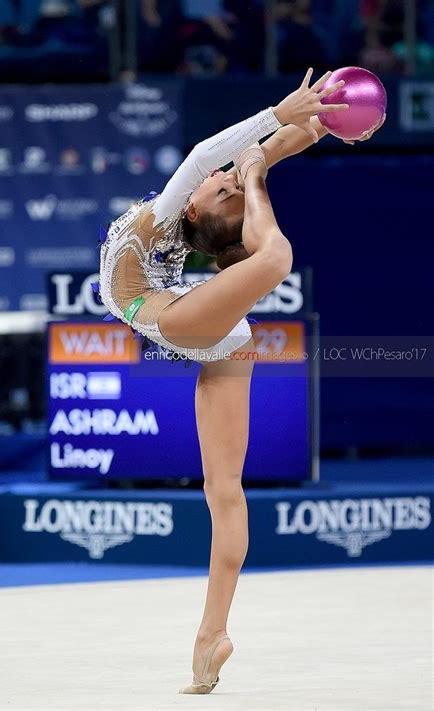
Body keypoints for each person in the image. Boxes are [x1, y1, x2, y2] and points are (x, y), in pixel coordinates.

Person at [97, 68, 385, 694]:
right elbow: (279, 141)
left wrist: (272, 129)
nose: (218, 177)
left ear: (197, 209)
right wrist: (325, 123)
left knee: (274, 257)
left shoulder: (166, 216)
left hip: (178, 317)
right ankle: (210, 638)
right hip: (211, 327)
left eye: (225, 188)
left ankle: (210, 635)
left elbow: (209, 154)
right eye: (228, 184)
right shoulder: (180, 219)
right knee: (223, 488)